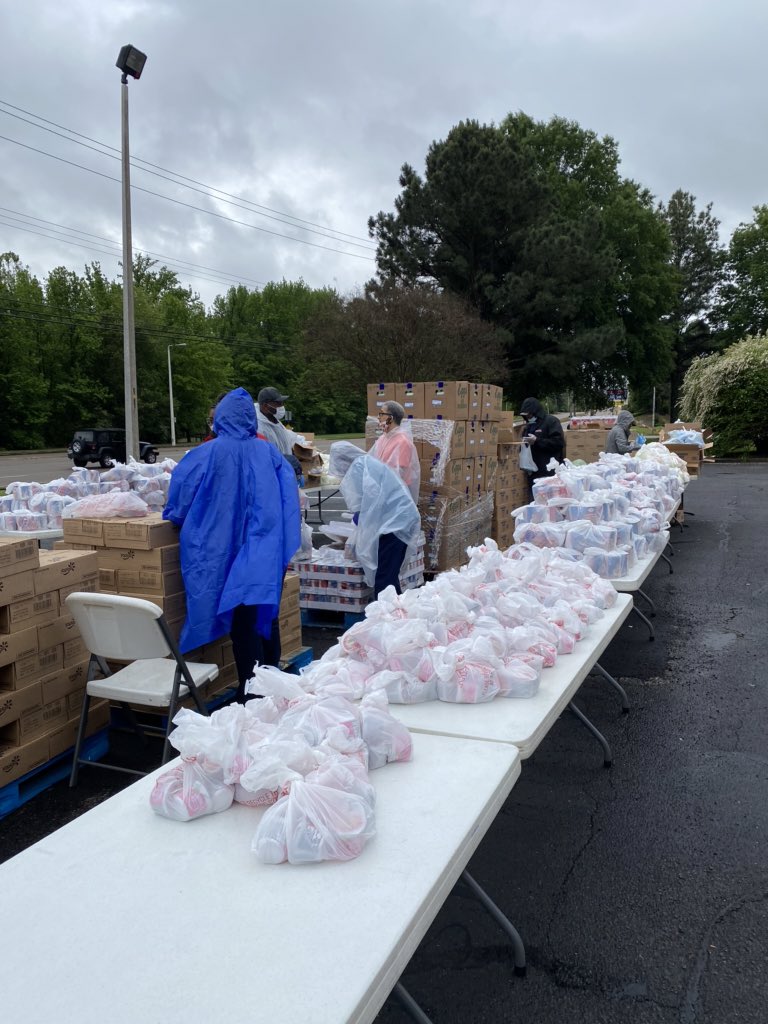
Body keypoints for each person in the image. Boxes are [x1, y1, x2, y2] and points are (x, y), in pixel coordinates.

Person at [164, 387, 301, 702]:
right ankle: (270, 678)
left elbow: (179, 501)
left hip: (222, 550)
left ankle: (250, 691)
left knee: (242, 625)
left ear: (221, 418)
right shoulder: (268, 453)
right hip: (263, 549)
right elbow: (289, 502)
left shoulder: (206, 453)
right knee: (264, 612)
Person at [329, 441, 421, 599]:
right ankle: (396, 612)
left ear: (343, 460)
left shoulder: (359, 468)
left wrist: (358, 529)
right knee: (389, 574)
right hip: (399, 521)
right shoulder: (368, 464)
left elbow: (366, 506)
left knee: (384, 578)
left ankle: (386, 616)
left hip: (395, 525)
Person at [369, 400, 420, 502]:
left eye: (381, 413)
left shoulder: (403, 442)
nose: (378, 417)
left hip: (396, 495)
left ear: (390, 418)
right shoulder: (383, 438)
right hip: (381, 491)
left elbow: (399, 473)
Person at [519, 397, 565, 484]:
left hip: (549, 470)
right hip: (532, 471)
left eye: (529, 414)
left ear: (536, 412)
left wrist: (537, 441)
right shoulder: (528, 426)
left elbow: (558, 443)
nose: (528, 417)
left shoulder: (551, 421)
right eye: (525, 415)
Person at [256, 386, 295, 457]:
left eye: (282, 403)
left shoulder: (275, 421)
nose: (282, 406)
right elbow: (264, 456)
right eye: (278, 403)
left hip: (284, 465)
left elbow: (287, 437)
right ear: (265, 406)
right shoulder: (258, 427)